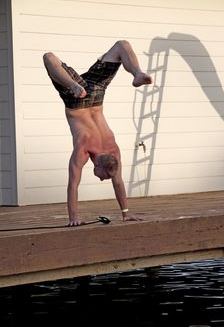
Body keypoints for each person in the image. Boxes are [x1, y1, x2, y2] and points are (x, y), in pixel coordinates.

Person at [43, 40, 153, 226]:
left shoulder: (114, 151)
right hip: (75, 100)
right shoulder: (84, 148)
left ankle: (137, 73)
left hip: (94, 93)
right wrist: (73, 218)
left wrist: (126, 213)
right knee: (48, 58)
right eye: (104, 176)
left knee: (121, 45)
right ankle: (71, 85)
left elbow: (118, 183)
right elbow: (73, 184)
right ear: (99, 167)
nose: (103, 179)